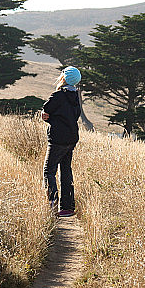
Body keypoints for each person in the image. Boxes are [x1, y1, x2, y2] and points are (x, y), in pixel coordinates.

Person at [41, 66, 82, 217]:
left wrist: (48, 118)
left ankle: (52, 206)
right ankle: (67, 208)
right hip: (71, 138)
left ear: (63, 78)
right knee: (66, 170)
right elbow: (74, 116)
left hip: (58, 138)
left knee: (49, 171)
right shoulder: (75, 97)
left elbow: (47, 110)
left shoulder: (58, 95)